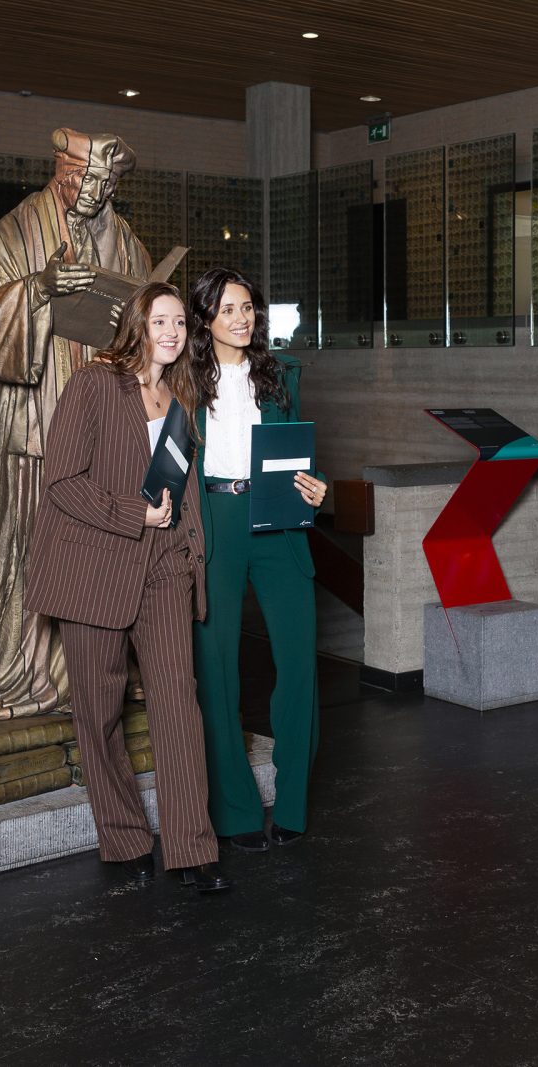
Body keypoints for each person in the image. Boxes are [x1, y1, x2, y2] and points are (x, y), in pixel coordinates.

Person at [0, 128, 153, 721]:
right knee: (32, 542)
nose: (95, 192)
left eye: (106, 184)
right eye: (85, 179)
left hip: (106, 421)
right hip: (37, 419)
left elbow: (147, 327)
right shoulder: (14, 234)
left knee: (107, 543)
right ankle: (25, 669)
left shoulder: (127, 244)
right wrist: (38, 291)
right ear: (61, 172)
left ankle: (96, 669)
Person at [25, 281, 231, 893]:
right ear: (137, 325)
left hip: (163, 566)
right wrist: (132, 514)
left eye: (179, 323)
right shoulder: (94, 384)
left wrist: (189, 554)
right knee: (99, 712)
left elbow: (183, 490)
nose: (172, 332)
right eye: (160, 321)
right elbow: (62, 480)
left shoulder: (183, 397)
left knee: (178, 704)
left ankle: (193, 848)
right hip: (95, 568)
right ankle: (123, 837)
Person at [186, 268, 326, 853]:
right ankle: (235, 810)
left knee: (298, 659)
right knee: (216, 665)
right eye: (227, 310)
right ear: (205, 319)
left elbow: (298, 454)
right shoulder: (184, 380)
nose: (241, 319)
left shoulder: (281, 375)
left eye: (247, 308)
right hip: (214, 517)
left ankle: (292, 802)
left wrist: (316, 486)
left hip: (277, 519)